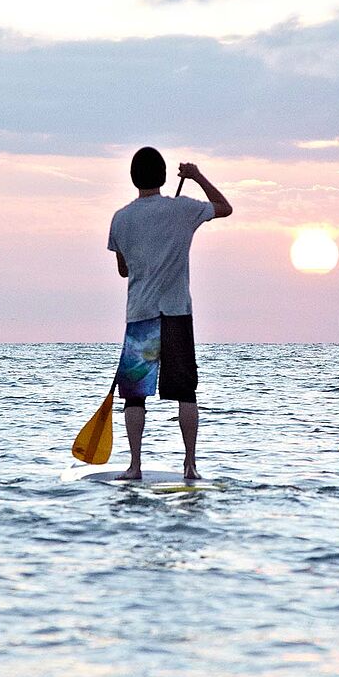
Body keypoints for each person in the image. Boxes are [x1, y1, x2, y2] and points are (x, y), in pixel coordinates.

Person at [107, 147, 232, 480]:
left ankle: (134, 466)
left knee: (134, 397)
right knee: (185, 392)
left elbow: (123, 270)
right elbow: (224, 207)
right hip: (176, 314)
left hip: (140, 316)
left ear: (133, 178)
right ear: (163, 177)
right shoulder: (183, 210)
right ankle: (190, 465)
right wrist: (196, 175)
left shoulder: (120, 218)